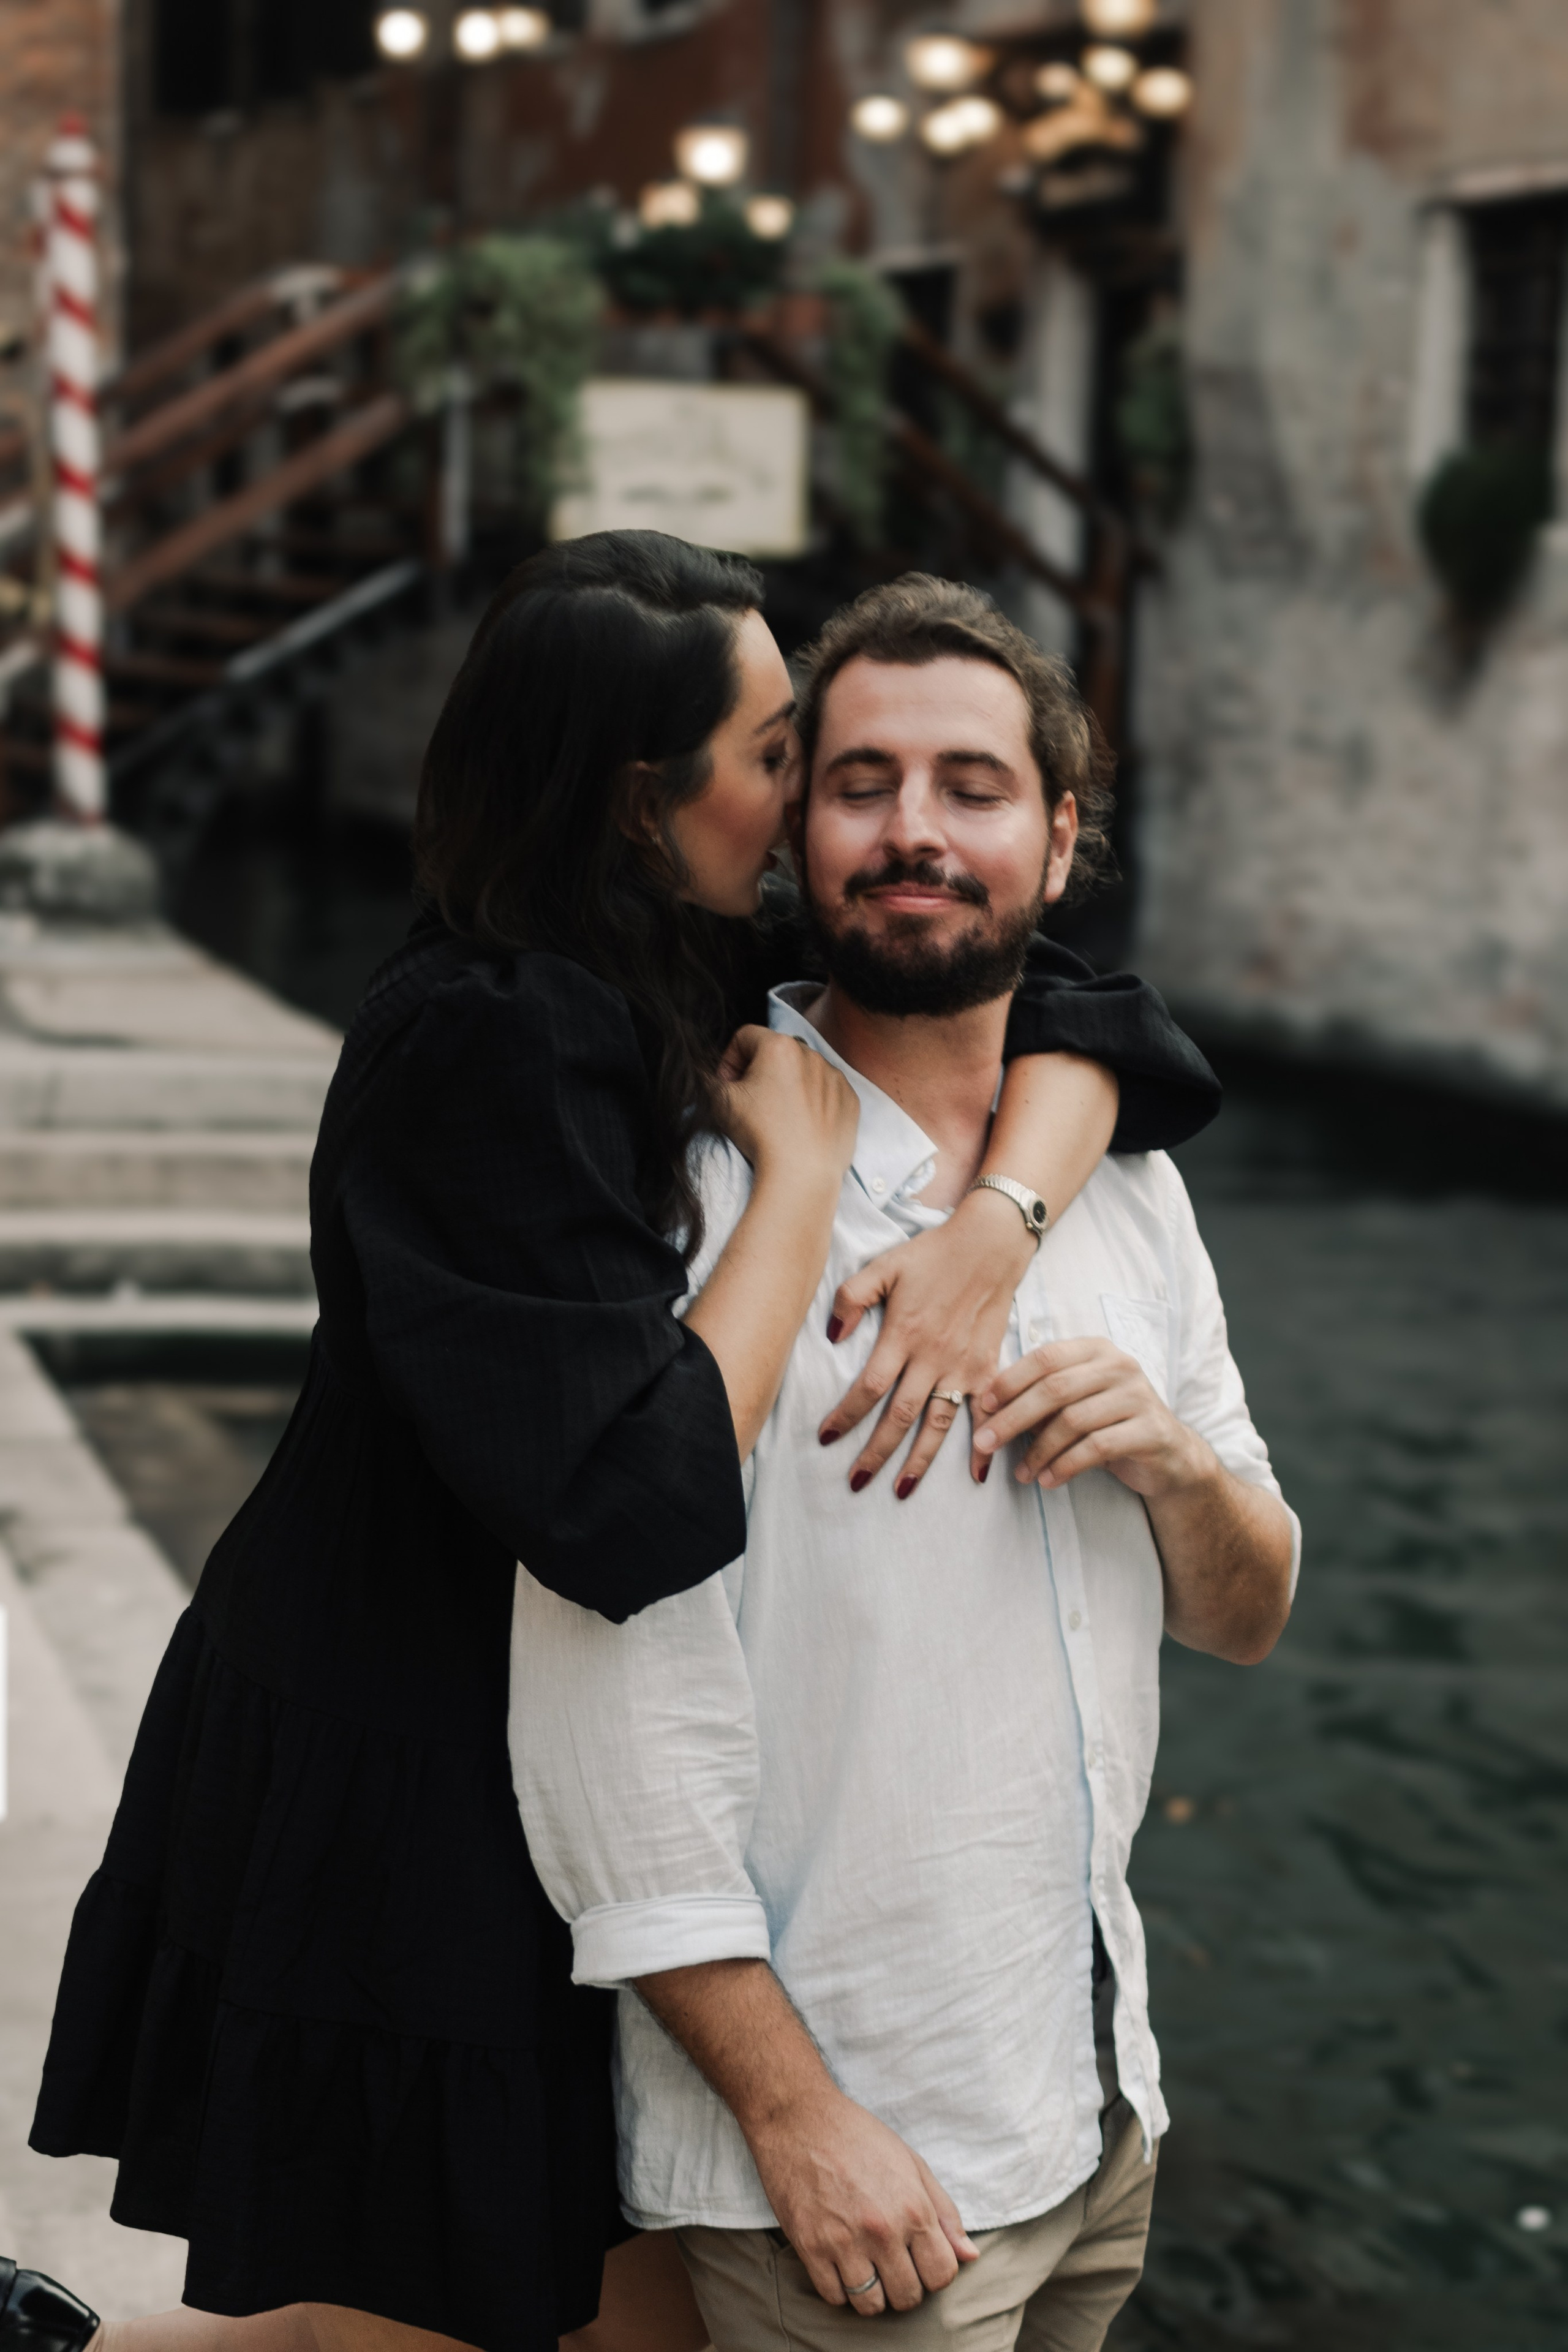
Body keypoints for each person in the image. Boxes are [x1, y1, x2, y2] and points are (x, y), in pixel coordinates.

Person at [12, 537, 1218, 2352]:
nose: (809, 790)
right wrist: (804, 1194)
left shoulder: (652, 956)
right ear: (644, 799)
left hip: (493, 1726)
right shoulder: (491, 1040)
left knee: (546, 2284)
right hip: (405, 1755)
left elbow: (1089, 1012)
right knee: (483, 2288)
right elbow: (639, 1496)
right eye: (778, 750)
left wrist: (998, 1220)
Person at [511, 575, 1300, 2352]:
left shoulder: (1129, 1186)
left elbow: (1250, 1612)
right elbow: (600, 1739)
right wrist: (796, 2121)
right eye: (861, 781)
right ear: (790, 823)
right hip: (848, 2182)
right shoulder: (686, 1190)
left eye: (973, 785)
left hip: (1096, 2115)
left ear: (1063, 832)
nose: (914, 833)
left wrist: (1169, 1463)